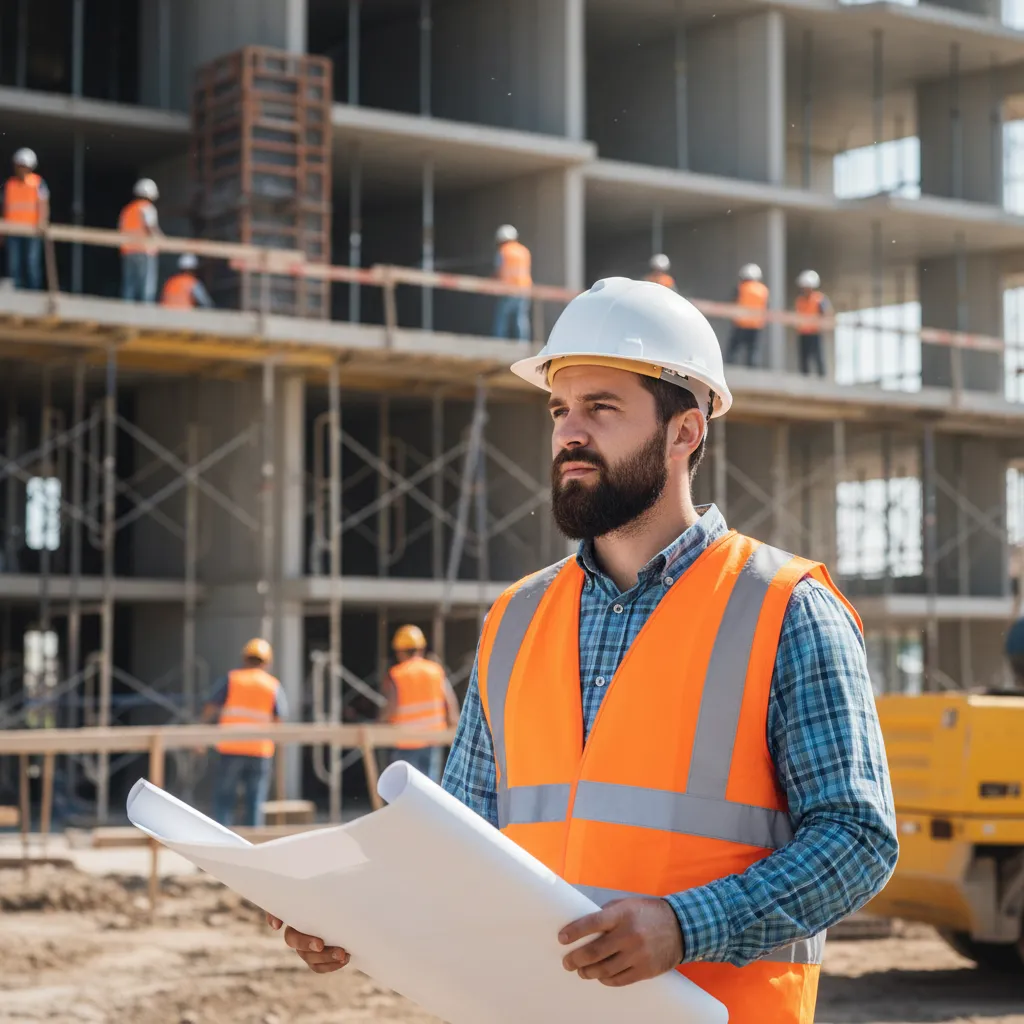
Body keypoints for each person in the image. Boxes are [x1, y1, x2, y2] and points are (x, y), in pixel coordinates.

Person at [267, 277, 898, 1022]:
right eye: (561, 409)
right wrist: (352, 909)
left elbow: (858, 839)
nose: (571, 431)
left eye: (602, 408)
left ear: (685, 431)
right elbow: (462, 843)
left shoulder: (786, 607)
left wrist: (684, 927)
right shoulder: (516, 618)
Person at [202, 638, 286, 828]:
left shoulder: (232, 679)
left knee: (224, 798)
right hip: (260, 750)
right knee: (255, 801)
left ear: (245, 658)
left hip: (231, 748)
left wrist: (201, 737)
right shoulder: (272, 685)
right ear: (267, 662)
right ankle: (253, 845)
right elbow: (280, 720)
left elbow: (210, 708)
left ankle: (222, 840)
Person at [380, 624, 460, 783]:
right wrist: (454, 727)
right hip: (433, 738)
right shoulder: (435, 671)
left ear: (399, 651)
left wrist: (379, 723)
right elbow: (450, 703)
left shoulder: (398, 673)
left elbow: (392, 708)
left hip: (406, 740)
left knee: (405, 788)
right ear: (421, 648)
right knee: (429, 787)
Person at [2, 148, 49, 291]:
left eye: (24, 166)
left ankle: (33, 293)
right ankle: (15, 293)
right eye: (19, 166)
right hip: (13, 230)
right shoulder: (9, 185)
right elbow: (5, 207)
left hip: (32, 230)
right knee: (13, 264)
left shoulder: (38, 183)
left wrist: (42, 222)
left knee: (31, 263)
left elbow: (43, 203)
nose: (21, 169)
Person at [119, 178, 163, 303]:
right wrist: (163, 241)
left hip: (128, 252)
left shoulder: (127, 210)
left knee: (129, 286)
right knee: (147, 287)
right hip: (145, 251)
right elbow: (151, 228)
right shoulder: (147, 208)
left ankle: (126, 314)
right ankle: (146, 316)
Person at [493, 224, 532, 341]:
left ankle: (499, 343)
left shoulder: (504, 251)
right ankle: (523, 344)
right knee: (520, 319)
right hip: (524, 289)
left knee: (502, 319)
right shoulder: (524, 251)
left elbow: (499, 270)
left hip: (508, 289)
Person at [727, 263, 769, 367]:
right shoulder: (763, 290)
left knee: (734, 349)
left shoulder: (741, 288)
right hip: (756, 325)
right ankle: (753, 372)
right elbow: (766, 305)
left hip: (741, 323)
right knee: (753, 351)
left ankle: (729, 367)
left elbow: (734, 302)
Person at [794, 269, 831, 376]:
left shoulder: (819, 299)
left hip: (815, 333)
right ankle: (804, 378)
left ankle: (822, 379)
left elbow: (826, 313)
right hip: (803, 333)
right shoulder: (800, 300)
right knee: (804, 359)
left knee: (818, 358)